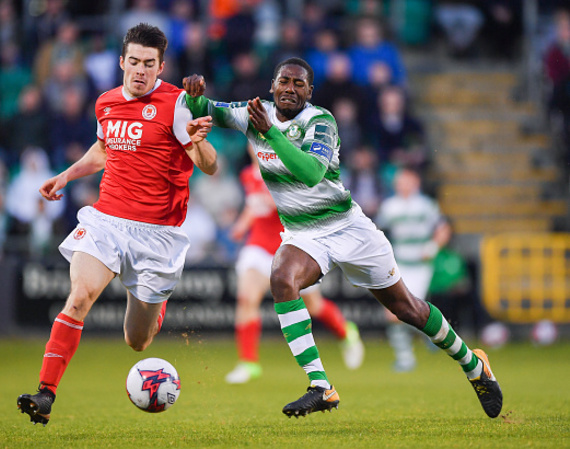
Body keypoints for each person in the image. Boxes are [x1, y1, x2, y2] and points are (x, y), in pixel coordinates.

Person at [183, 57, 502, 419]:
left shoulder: (321, 122)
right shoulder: (255, 113)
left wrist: (269, 133)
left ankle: (474, 365)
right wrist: (195, 97)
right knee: (282, 278)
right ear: (272, 86)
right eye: (284, 81)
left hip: (348, 228)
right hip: (304, 233)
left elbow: (311, 173)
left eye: (299, 84)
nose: (290, 88)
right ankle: (321, 386)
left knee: (406, 309)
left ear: (310, 91)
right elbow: (208, 109)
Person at [16, 23, 218, 426]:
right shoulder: (106, 102)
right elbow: (103, 150)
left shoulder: (179, 105)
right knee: (78, 297)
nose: (140, 70)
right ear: (121, 61)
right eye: (134, 62)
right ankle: (46, 392)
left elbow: (209, 166)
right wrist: (66, 176)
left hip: (158, 234)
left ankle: (153, 308)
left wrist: (197, 140)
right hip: (107, 219)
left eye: (149, 64)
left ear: (161, 67)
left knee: (137, 341)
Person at [225, 146, 364, 384]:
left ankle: (346, 332)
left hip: (290, 246)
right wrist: (242, 225)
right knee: (246, 298)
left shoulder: (286, 172)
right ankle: (249, 363)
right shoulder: (248, 174)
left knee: (313, 306)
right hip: (258, 246)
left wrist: (274, 201)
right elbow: (253, 204)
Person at [375, 168, 451, 372]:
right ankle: (409, 354)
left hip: (419, 266)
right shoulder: (390, 206)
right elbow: (376, 231)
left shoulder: (426, 206)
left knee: (406, 311)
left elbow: (443, 229)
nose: (402, 185)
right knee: (393, 311)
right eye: (399, 182)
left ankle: (428, 332)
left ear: (415, 183)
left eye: (406, 181)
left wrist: (432, 247)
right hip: (398, 264)